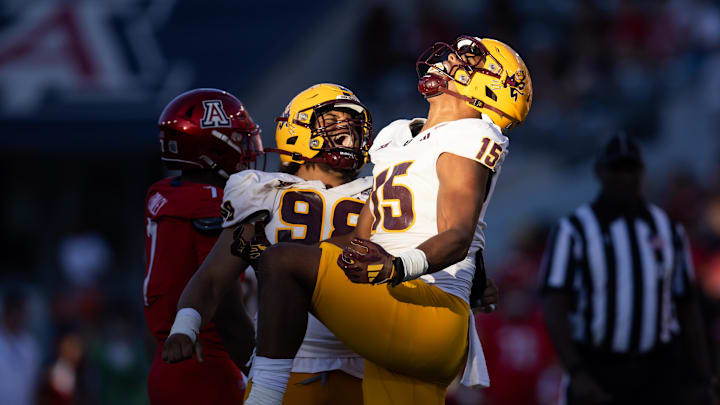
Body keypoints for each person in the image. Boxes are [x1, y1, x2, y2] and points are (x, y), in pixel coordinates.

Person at [241, 35, 532, 405]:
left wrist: (394, 266)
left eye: (467, 60)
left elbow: (458, 233)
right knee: (283, 260)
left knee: (284, 262)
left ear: (489, 89)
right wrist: (272, 255)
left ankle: (262, 396)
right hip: (398, 308)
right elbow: (360, 238)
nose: (450, 60)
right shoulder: (400, 140)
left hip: (427, 309)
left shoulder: (470, 133)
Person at [162, 83, 375, 405]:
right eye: (333, 122)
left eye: (353, 125)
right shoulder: (267, 192)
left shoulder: (381, 193)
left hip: (368, 367)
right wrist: (185, 325)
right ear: (296, 130)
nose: (348, 134)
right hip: (288, 369)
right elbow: (213, 276)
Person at [539, 133, 717, 405]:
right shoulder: (573, 231)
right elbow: (554, 306)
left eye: (631, 169)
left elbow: (686, 305)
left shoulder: (668, 229)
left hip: (657, 369)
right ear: (600, 172)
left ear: (642, 173)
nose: (625, 177)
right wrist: (577, 371)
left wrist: (702, 377)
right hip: (599, 367)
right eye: (617, 169)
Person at [143, 88, 261, 404]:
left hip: (170, 362)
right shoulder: (209, 204)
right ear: (211, 149)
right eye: (239, 139)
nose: (248, 148)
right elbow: (219, 297)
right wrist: (262, 370)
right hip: (208, 364)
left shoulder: (165, 191)